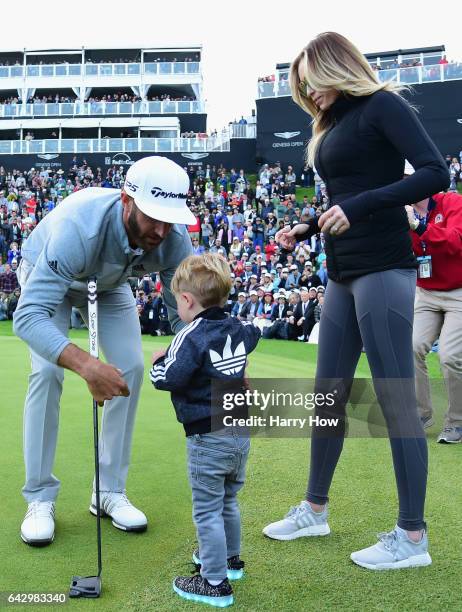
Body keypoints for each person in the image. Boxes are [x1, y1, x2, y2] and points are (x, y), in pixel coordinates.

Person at [263, 31, 449, 570]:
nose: (307, 93)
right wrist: (304, 225)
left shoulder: (382, 106)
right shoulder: (336, 125)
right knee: (329, 395)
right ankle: (314, 509)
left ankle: (412, 538)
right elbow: (341, 197)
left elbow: (436, 172)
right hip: (342, 269)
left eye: (310, 81)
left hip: (385, 266)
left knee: (394, 399)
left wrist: (361, 206)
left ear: (333, 68)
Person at [13, 156, 194, 546]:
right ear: (127, 201)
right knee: (47, 372)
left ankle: (108, 491)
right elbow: (27, 318)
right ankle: (40, 497)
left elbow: (183, 313)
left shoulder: (174, 239)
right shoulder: (79, 226)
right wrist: (86, 364)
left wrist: (203, 352)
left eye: (169, 219)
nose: (161, 231)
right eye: (153, 218)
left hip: (109, 286)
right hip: (51, 276)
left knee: (130, 367)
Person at [150, 254, 260, 607]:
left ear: (186, 300)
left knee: (207, 509)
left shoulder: (190, 334)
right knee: (228, 500)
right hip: (239, 431)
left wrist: (156, 364)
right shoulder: (237, 327)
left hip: (207, 435)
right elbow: (253, 335)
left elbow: (171, 376)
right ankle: (230, 560)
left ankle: (214, 582)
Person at [403, 169, 462, 443]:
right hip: (426, 292)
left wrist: (420, 226)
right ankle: (420, 413)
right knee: (411, 347)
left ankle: (456, 422)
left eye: (409, 178)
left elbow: (456, 241)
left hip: (458, 292)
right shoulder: (399, 212)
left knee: (449, 356)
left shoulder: (452, 202)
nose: (405, 184)